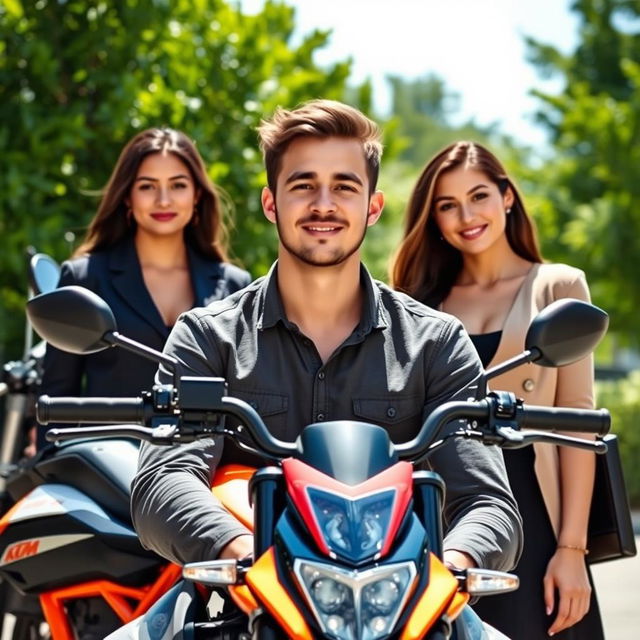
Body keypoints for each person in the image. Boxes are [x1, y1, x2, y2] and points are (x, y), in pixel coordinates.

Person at [131, 100, 522, 583]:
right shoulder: (207, 336)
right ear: (270, 202)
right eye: (303, 185)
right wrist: (248, 557)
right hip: (239, 605)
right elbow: (162, 480)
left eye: (344, 186)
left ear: (372, 207)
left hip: (403, 606)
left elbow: (487, 502)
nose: (323, 205)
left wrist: (447, 571)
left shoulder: (437, 343)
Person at [391, 140, 604, 639]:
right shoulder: (417, 304)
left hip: (534, 506)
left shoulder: (558, 286)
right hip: (445, 509)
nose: (467, 215)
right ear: (434, 219)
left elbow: (576, 422)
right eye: (447, 205)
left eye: (479, 195)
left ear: (507, 196)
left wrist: (571, 550)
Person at [37, 128, 251, 449]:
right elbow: (57, 395)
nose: (163, 199)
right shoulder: (85, 277)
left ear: (196, 195)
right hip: (106, 467)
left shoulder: (235, 284)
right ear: (127, 196)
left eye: (178, 185)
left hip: (206, 473)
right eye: (147, 186)